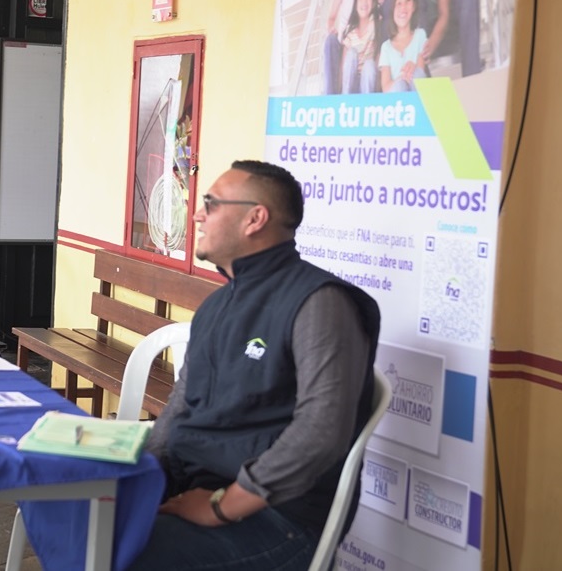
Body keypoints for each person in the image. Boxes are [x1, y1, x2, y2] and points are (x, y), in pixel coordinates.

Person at [130, 160, 380, 570]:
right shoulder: (217, 304)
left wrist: (222, 505)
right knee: (81, 519)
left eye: (210, 203)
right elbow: (180, 406)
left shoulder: (320, 303)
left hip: (277, 518)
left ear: (255, 218)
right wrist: (144, 480)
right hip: (194, 488)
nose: (196, 213)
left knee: (127, 555)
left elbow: (321, 431)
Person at [379, 0, 427, 92]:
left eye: (408, 1)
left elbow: (420, 72)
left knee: (417, 74)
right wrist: (401, 77)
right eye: (398, 3)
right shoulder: (386, 47)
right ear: (393, 9)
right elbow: (386, 88)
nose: (403, 7)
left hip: (415, 94)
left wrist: (414, 67)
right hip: (397, 103)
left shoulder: (420, 35)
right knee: (400, 85)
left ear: (414, 6)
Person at [337, 0, 382, 94]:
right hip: (351, 84)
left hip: (368, 83)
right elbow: (344, 68)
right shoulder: (350, 33)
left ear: (373, 1)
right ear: (356, 2)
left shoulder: (376, 25)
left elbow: (378, 60)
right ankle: (346, 100)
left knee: (369, 65)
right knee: (351, 53)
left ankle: (366, 103)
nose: (364, 1)